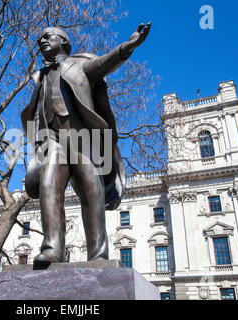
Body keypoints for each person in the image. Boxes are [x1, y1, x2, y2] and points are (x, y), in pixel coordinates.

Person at [21, 22, 151, 268]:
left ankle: (98, 254)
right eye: (39, 39)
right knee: (49, 188)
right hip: (53, 144)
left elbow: (105, 63)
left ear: (64, 42)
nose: (41, 41)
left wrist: (128, 47)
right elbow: (35, 115)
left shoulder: (80, 64)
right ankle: (51, 251)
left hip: (83, 140)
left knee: (92, 192)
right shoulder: (39, 77)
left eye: (47, 36)